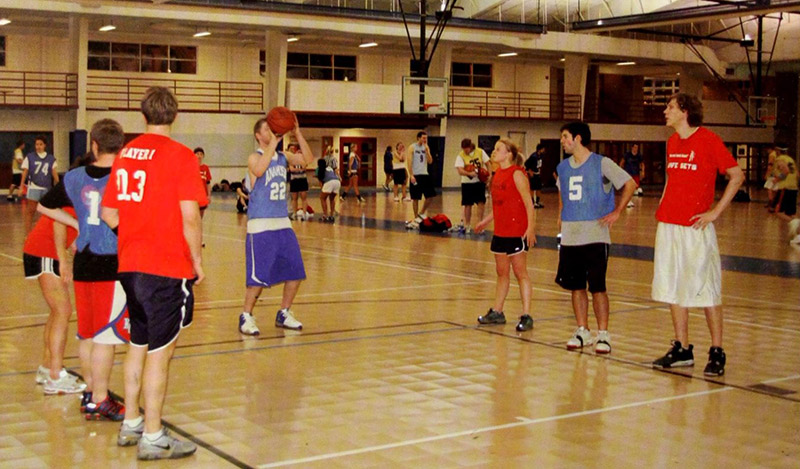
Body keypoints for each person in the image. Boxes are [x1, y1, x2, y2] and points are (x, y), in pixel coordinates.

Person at [100, 86, 207, 459]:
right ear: (174, 115)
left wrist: (133, 235)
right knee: (160, 355)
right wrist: (196, 262)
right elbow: (190, 216)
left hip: (130, 266)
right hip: (165, 268)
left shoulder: (126, 154)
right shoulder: (180, 156)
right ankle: (153, 435)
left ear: (142, 115)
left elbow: (109, 213)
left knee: (137, 346)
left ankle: (131, 422)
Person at [38, 119, 131, 421]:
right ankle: (101, 398)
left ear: (93, 145)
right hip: (111, 263)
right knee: (106, 337)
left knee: (87, 333)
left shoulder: (75, 176)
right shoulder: (124, 176)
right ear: (122, 146)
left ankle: (92, 394)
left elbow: (43, 207)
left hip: (84, 263)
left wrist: (78, 224)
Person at [651, 93, 744, 376]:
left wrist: (715, 212)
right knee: (673, 287)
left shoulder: (708, 140)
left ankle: (717, 351)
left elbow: (736, 175)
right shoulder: (671, 142)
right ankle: (682, 348)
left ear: (685, 111)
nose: (665, 111)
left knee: (706, 289)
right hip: (668, 224)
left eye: (670, 107)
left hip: (695, 227)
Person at [555, 122, 636, 354]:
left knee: (598, 286)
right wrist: (562, 214)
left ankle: (603, 333)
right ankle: (582, 329)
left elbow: (629, 183)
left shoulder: (602, 163)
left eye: (565, 136)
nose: (562, 141)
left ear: (578, 138)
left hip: (595, 234)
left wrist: (617, 211)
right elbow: (563, 191)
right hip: (571, 235)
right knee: (576, 286)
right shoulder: (562, 167)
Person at [237, 114, 314, 337]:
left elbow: (307, 159)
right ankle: (246, 315)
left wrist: (297, 133)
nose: (272, 133)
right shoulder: (254, 157)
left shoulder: (283, 157)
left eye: (274, 130)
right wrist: (273, 142)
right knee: (257, 278)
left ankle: (284, 311)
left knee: (295, 270)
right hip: (260, 224)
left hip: (282, 222)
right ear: (258, 135)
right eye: (267, 130)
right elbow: (260, 170)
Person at [23, 193, 83, 394]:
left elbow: (71, 231)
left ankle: (47, 367)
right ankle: (55, 376)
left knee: (58, 311)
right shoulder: (76, 195)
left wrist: (74, 248)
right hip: (45, 251)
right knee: (63, 311)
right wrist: (63, 261)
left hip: (43, 250)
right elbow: (58, 224)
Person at [475, 138, 536, 332]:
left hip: (517, 231)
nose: (494, 152)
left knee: (520, 273)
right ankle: (498, 312)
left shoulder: (517, 174)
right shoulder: (497, 174)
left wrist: (531, 229)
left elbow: (529, 203)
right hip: (500, 232)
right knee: (502, 274)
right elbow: (499, 206)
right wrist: (485, 221)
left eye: (498, 149)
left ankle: (527, 315)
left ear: (509, 154)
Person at [20, 136, 59, 233]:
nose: (38, 146)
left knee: (46, 213)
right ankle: (28, 234)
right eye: (37, 144)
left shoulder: (51, 159)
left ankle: (44, 233)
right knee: (30, 211)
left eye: (41, 144)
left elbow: (54, 173)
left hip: (46, 188)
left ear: (45, 145)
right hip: (34, 187)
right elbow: (25, 172)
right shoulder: (30, 157)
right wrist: (21, 186)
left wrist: (58, 186)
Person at [454, 138, 490, 233]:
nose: (465, 151)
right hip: (467, 183)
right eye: (463, 149)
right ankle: (468, 225)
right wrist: (469, 173)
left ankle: (480, 224)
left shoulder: (480, 152)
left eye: (466, 148)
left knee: (481, 202)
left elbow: (488, 163)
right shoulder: (460, 155)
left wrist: (489, 176)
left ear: (470, 146)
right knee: (467, 204)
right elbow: (460, 170)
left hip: (479, 181)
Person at [407, 131, 437, 224]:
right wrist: (411, 175)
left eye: (426, 138)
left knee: (431, 195)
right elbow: (409, 161)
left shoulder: (426, 147)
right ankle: (416, 216)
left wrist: (427, 151)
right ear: (418, 138)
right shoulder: (412, 147)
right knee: (415, 197)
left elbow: (430, 161)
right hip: (416, 174)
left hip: (425, 174)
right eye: (423, 138)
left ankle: (422, 212)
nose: (425, 140)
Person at [770, 146, 798, 222]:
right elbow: (797, 173)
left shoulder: (780, 159)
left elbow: (786, 170)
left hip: (784, 188)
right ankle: (796, 226)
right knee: (791, 213)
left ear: (778, 151)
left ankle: (796, 224)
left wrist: (777, 179)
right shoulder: (790, 159)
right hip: (793, 187)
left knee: (778, 211)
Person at [287, 143, 310, 220]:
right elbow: (291, 169)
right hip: (294, 179)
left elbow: (304, 167)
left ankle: (304, 213)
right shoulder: (291, 158)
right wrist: (299, 169)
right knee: (294, 197)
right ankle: (294, 213)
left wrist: (299, 168)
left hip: (302, 179)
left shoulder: (303, 158)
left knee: (304, 196)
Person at [319, 145, 341, 222]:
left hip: (328, 180)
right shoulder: (334, 159)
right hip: (336, 181)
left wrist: (322, 187)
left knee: (322, 198)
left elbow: (320, 176)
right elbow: (335, 170)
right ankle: (331, 215)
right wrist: (339, 177)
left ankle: (325, 215)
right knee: (332, 199)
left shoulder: (323, 160)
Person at [524, 143, 546, 209]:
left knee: (538, 188)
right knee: (533, 188)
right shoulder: (533, 156)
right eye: (543, 149)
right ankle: (532, 202)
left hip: (538, 174)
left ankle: (537, 201)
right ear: (539, 149)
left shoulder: (541, 156)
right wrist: (529, 171)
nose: (544, 150)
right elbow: (526, 164)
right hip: (533, 174)